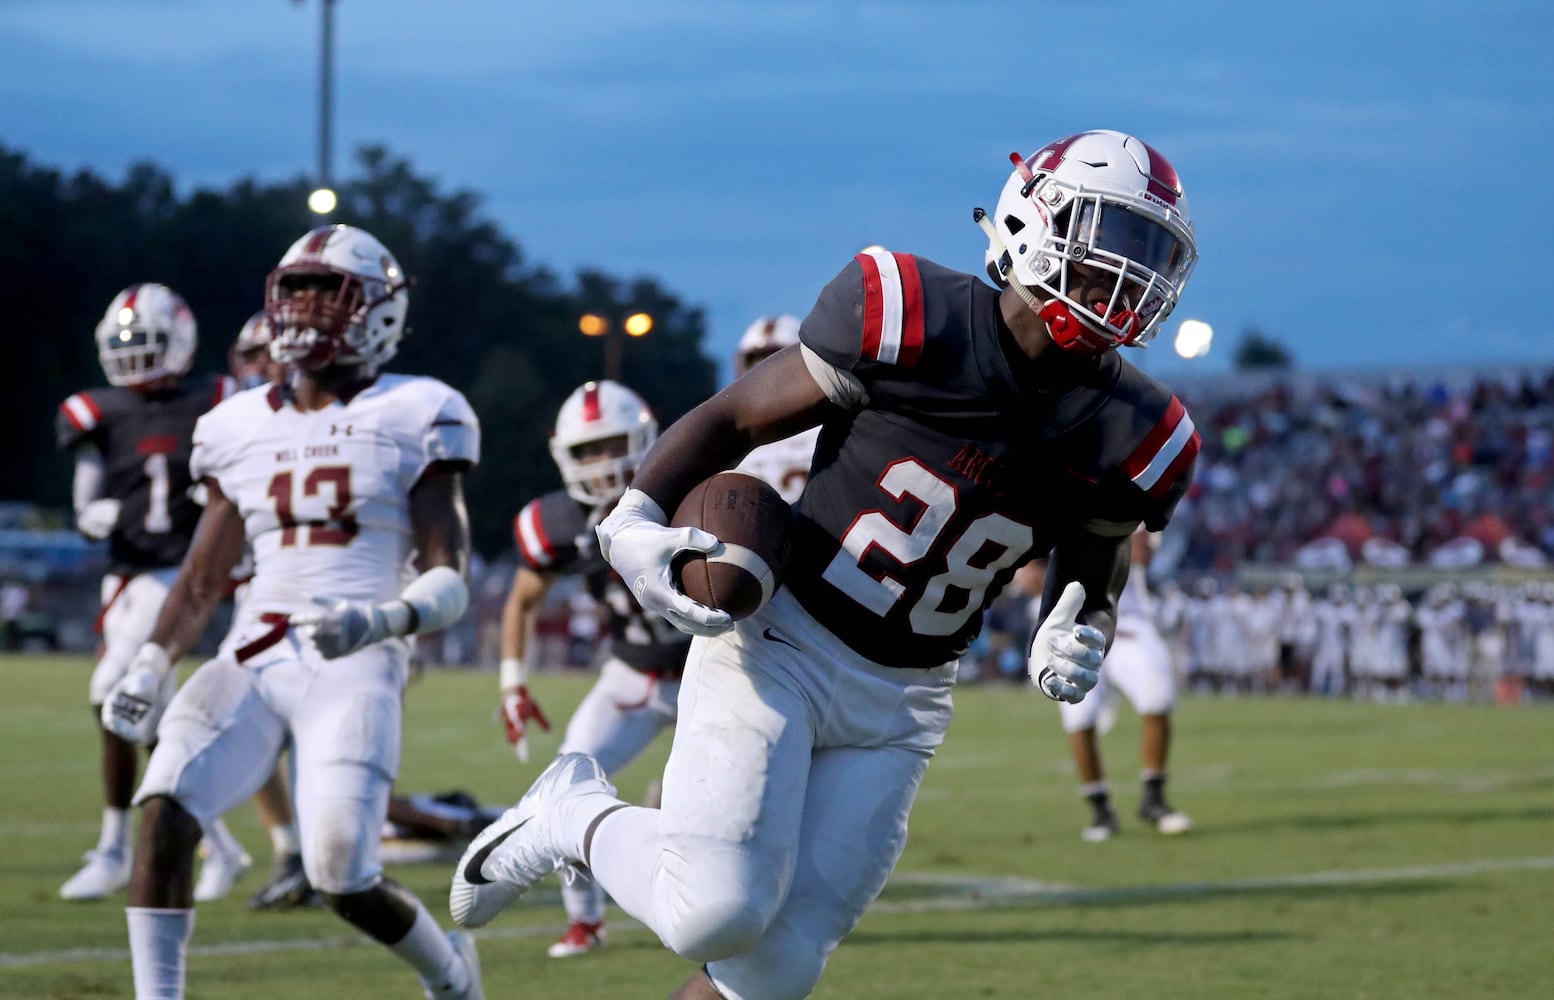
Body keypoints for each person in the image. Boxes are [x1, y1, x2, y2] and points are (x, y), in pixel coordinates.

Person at [453, 129, 1202, 1000]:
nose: (1124, 277)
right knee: (712, 913)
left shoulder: (1140, 429)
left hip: (908, 698)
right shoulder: (909, 312)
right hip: (786, 644)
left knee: (774, 966)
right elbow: (734, 420)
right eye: (1108, 243)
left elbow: (1096, 556)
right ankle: (570, 811)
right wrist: (634, 516)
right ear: (1033, 218)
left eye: (1146, 256)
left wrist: (1079, 628)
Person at [101, 224, 484, 999]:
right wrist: (151, 660)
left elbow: (450, 578)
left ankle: (449, 972)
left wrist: (379, 622)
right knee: (166, 805)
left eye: (326, 290)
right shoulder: (236, 425)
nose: (305, 308)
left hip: (359, 658)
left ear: (378, 310)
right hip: (254, 652)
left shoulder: (418, 409)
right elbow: (202, 577)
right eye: (295, 289)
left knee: (341, 873)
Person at [55, 283, 252, 903]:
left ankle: (117, 847)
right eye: (125, 347)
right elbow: (86, 492)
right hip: (127, 575)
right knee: (149, 719)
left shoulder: (216, 399)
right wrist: (91, 514)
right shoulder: (98, 410)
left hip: (179, 573)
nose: (135, 359)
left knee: (114, 692)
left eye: (147, 345)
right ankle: (217, 843)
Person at [496, 379, 688, 958]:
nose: (603, 463)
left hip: (715, 672)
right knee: (565, 788)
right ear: (564, 457)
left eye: (613, 445)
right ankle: (586, 921)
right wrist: (512, 683)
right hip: (629, 675)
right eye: (587, 451)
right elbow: (523, 599)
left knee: (718, 803)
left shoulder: (692, 491)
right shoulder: (555, 521)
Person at [1020, 530, 1192, 843]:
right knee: (1079, 717)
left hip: (1127, 624)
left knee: (1158, 697)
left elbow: (1142, 554)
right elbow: (1029, 574)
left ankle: (1153, 798)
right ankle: (1100, 809)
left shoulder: (1130, 497)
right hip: (1073, 625)